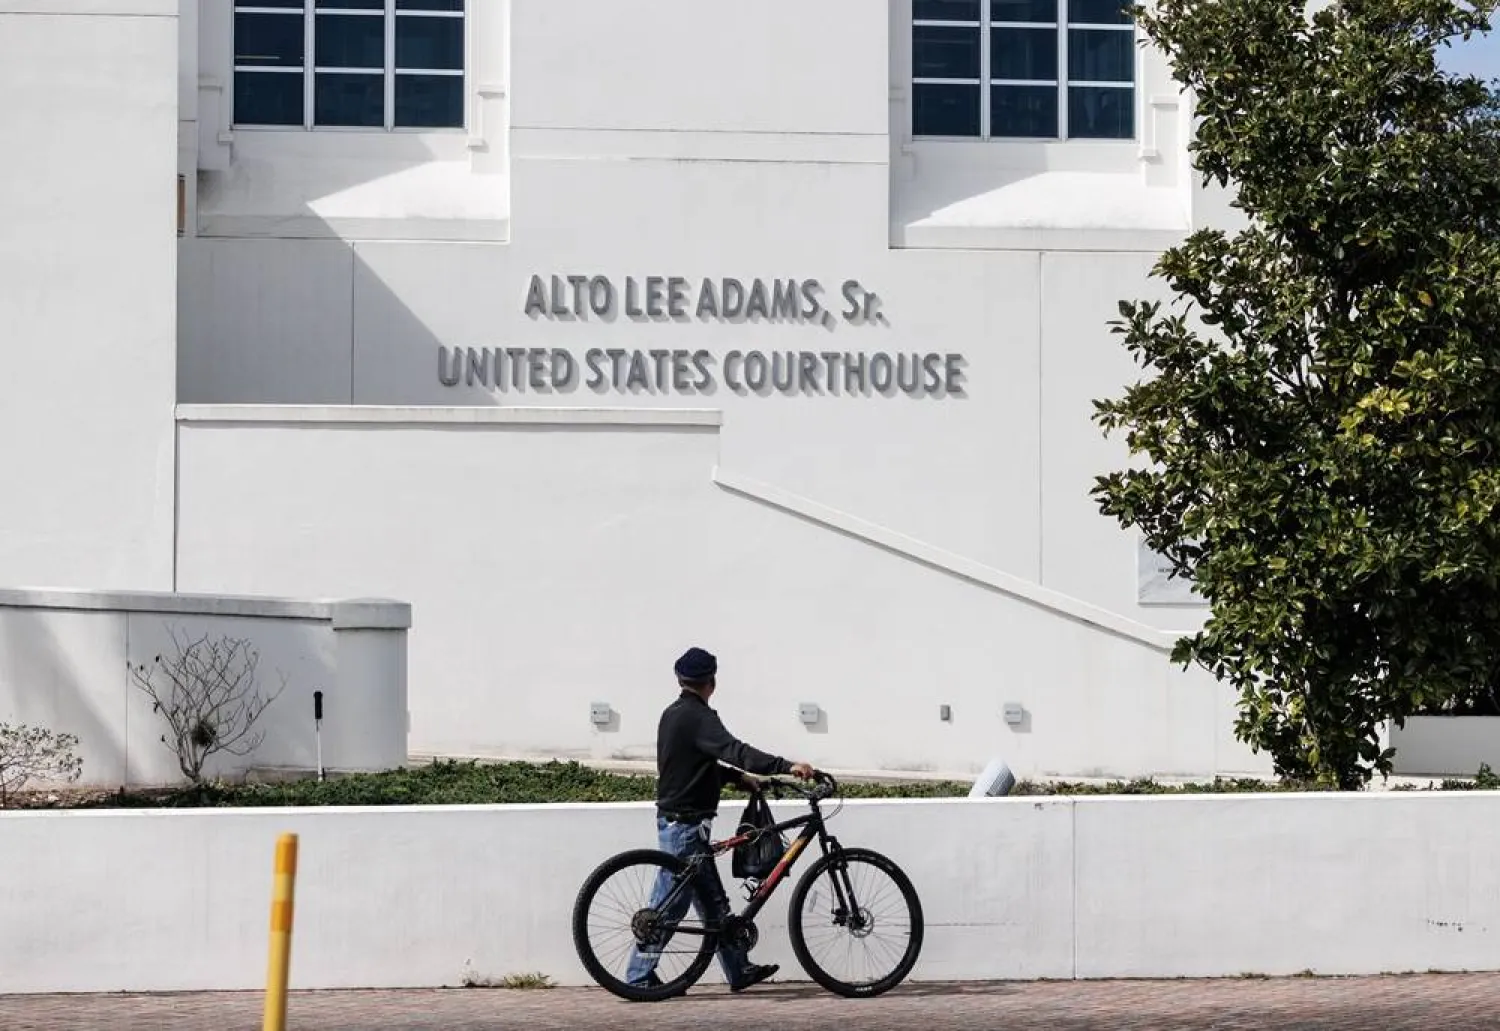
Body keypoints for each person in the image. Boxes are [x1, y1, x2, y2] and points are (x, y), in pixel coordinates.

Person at [624, 645, 815, 996]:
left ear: (681, 679)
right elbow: (735, 750)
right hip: (686, 824)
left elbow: (697, 763)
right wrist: (785, 766)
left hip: (680, 819)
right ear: (711, 681)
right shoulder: (699, 717)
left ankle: (737, 968)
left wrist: (738, 780)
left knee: (712, 902)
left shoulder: (673, 713)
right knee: (673, 901)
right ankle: (637, 976)